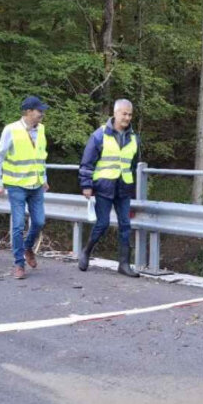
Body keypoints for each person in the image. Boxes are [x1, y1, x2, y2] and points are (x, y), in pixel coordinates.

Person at [78, 99, 140, 277]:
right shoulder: (100, 134)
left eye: (129, 114)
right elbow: (87, 162)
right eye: (124, 114)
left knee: (126, 225)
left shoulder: (134, 137)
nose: (127, 118)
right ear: (115, 113)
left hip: (123, 188)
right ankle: (86, 252)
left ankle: (124, 264)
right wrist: (86, 185)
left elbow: (133, 164)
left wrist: (131, 182)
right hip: (104, 186)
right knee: (103, 224)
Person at [0, 96, 50, 279]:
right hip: (16, 185)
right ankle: (19, 264)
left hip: (36, 185)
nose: (42, 113)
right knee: (17, 225)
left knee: (39, 221)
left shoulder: (41, 130)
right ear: (28, 112)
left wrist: (44, 178)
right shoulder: (11, 130)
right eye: (39, 110)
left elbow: (41, 157)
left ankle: (27, 247)